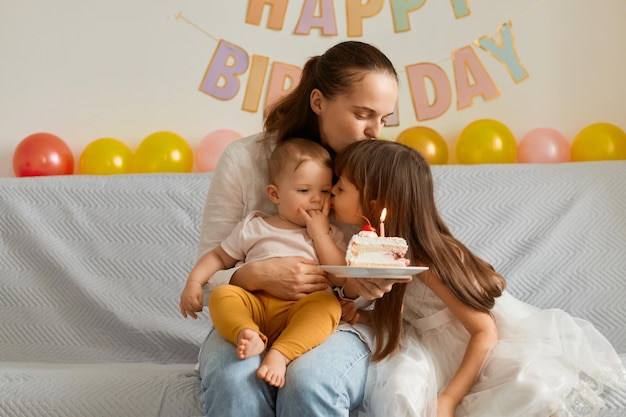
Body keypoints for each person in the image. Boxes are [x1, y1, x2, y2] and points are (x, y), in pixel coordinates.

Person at [331, 139, 626, 417]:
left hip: (475, 349)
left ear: (373, 204)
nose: (331, 192)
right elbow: (404, 314)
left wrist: (449, 398)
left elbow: (484, 332)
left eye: (340, 188)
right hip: (430, 345)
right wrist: (358, 316)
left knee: (526, 384)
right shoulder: (376, 251)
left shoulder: (428, 261)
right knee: (403, 389)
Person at [193, 40, 405, 417]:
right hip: (253, 313)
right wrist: (253, 274)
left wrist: (371, 286)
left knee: (309, 381)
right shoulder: (245, 160)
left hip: (333, 320)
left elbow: (377, 278)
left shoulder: (378, 169)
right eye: (363, 114)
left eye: (385, 119)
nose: (376, 131)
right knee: (235, 379)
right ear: (319, 102)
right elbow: (211, 277)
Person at [180, 138, 346, 389]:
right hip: (255, 305)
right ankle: (247, 333)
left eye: (324, 191)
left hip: (301, 309)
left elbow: (340, 276)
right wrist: (194, 281)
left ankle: (281, 353)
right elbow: (218, 257)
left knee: (328, 306)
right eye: (304, 191)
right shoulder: (254, 226)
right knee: (223, 295)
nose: (316, 199)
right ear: (274, 194)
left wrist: (320, 235)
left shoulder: (328, 234)